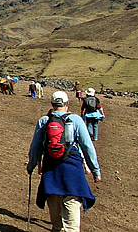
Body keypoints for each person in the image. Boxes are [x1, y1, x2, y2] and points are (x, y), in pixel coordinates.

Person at [27, 91, 101, 232]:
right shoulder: (76, 120)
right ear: (67, 104)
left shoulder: (44, 121)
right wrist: (95, 171)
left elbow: (35, 146)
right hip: (73, 173)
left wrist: (31, 166)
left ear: (52, 105)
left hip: (50, 173)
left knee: (57, 225)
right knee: (71, 225)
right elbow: (87, 146)